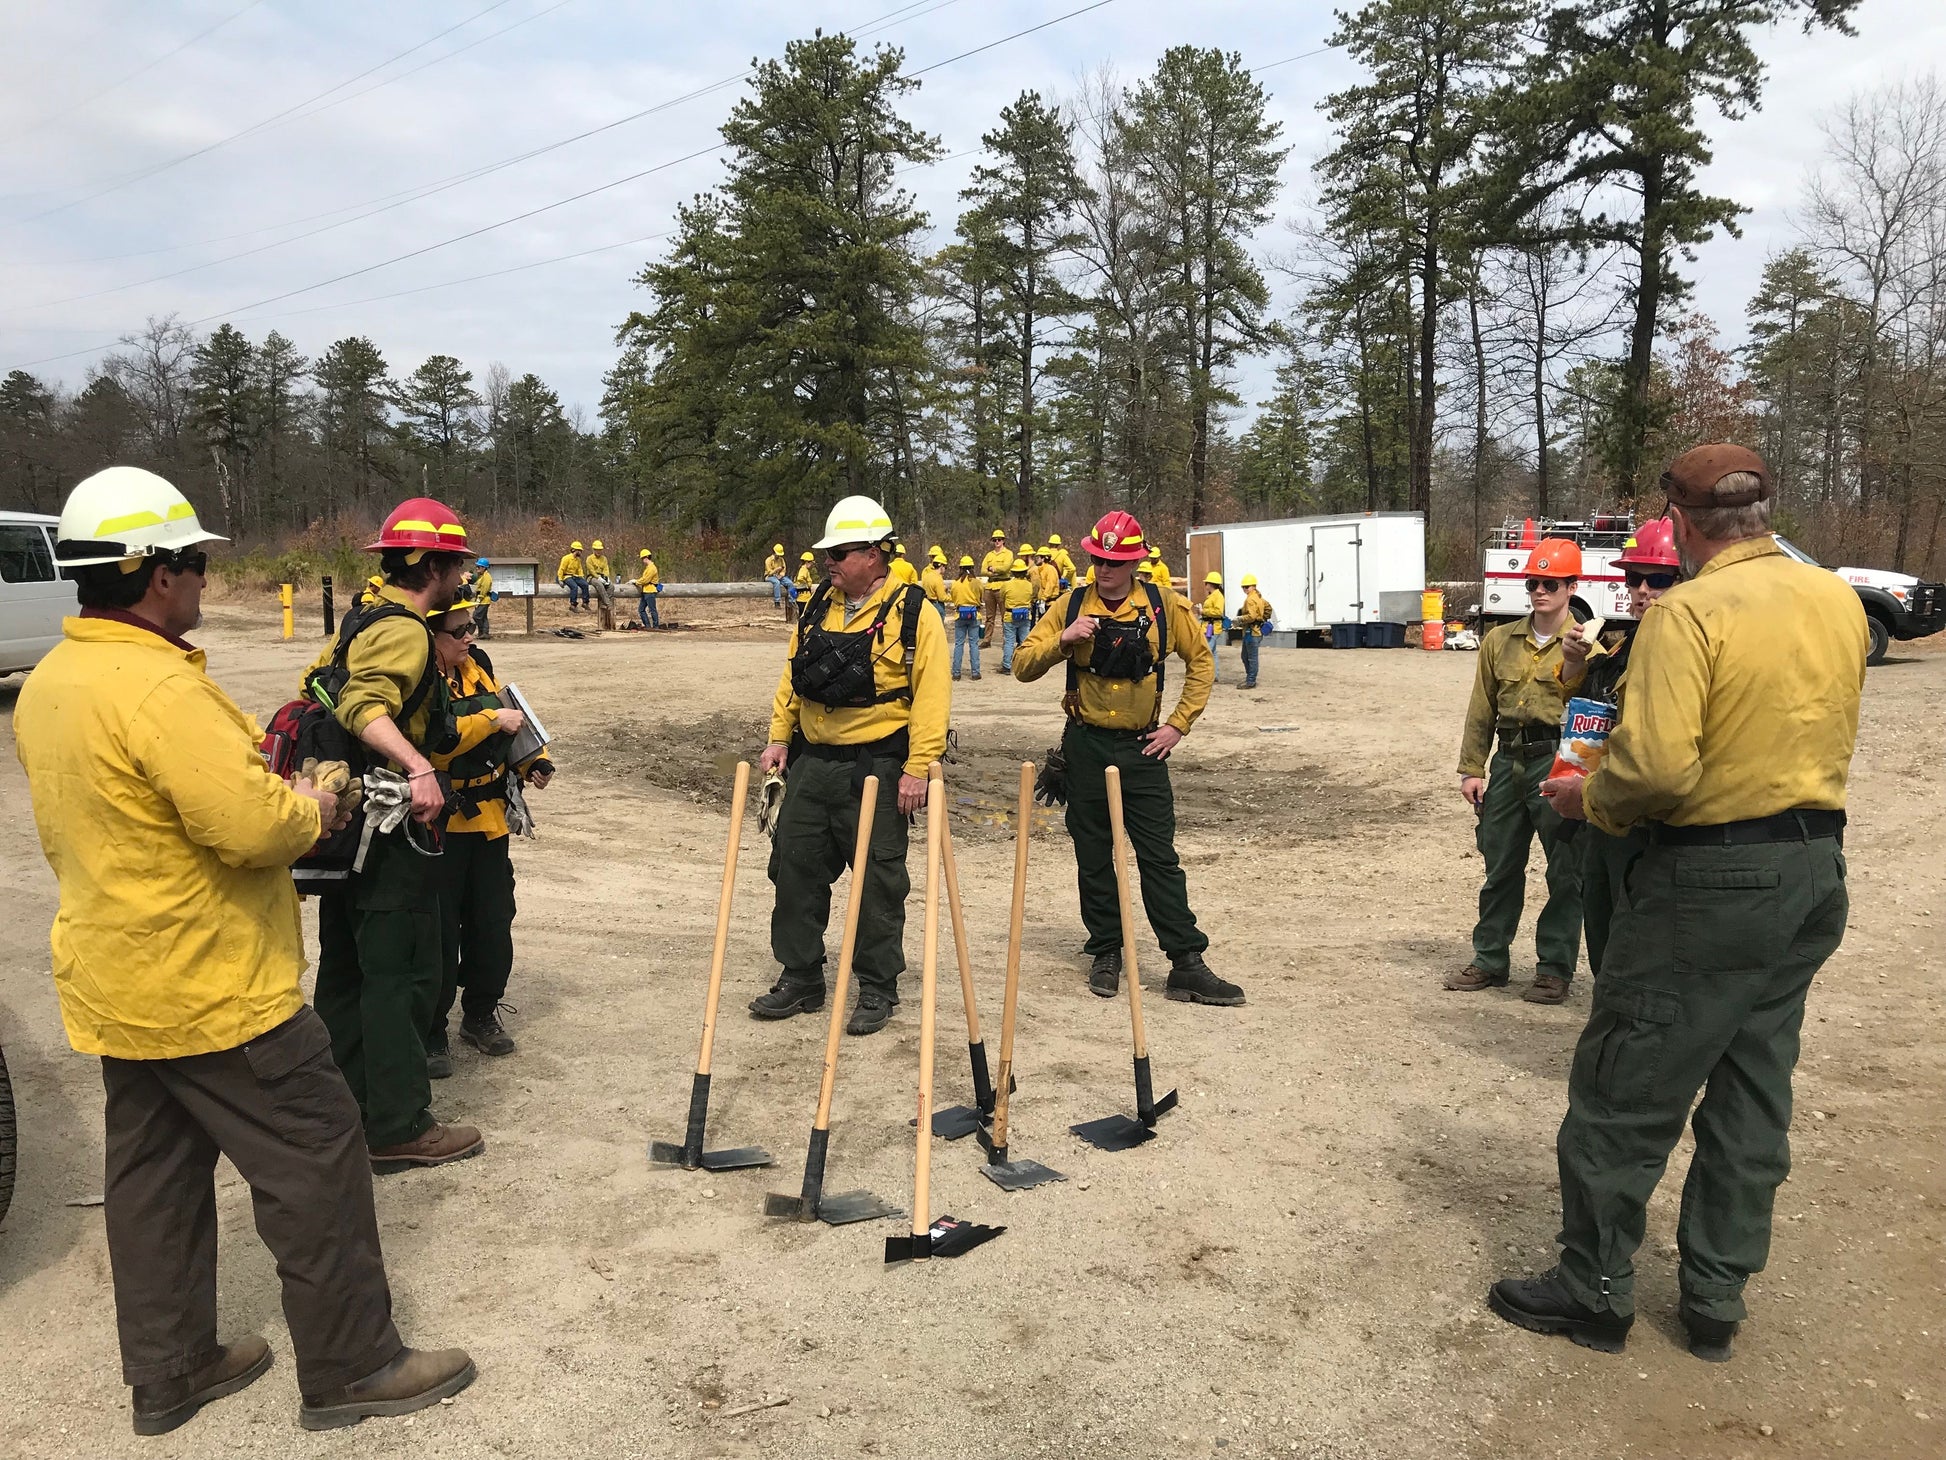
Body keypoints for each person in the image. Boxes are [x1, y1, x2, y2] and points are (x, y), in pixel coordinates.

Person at [15, 467, 475, 1435]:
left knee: (154, 1179)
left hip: (118, 979)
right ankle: (354, 1363)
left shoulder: (53, 680)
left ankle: (170, 1370)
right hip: (213, 982)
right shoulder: (156, 688)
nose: (202, 582)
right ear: (157, 574)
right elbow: (249, 828)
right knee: (318, 1154)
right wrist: (312, 804)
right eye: (194, 566)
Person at [1491, 445, 1866, 1364]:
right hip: (1811, 869)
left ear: (1683, 521)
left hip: (1708, 879)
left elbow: (1658, 769)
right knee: (1751, 1084)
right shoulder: (1835, 600)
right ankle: (1715, 1296)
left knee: (1627, 1084)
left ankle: (1594, 1288)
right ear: (1762, 512)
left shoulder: (1690, 614)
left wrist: (1588, 799)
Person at [307, 498, 485, 1172]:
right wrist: (417, 767)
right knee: (400, 974)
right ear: (432, 565)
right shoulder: (405, 631)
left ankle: (343, 1115)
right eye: (456, 564)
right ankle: (399, 1125)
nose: (461, 575)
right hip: (386, 830)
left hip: (348, 824)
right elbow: (360, 703)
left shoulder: (361, 617)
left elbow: (317, 685)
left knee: (346, 970)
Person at [1013, 510, 1242, 1007]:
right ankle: (1106, 950)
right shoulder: (1070, 605)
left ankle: (1186, 962)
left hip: (1143, 749)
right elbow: (1022, 666)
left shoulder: (1164, 606)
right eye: (1098, 559)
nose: (1105, 569)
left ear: (1136, 561)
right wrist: (1062, 640)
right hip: (1085, 746)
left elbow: (1202, 662)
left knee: (1159, 856)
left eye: (1115, 561)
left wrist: (1177, 724)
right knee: (1093, 854)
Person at [750, 495, 950, 1035]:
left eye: (838, 553)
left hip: (877, 768)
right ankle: (801, 976)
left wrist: (918, 767)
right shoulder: (819, 604)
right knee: (794, 869)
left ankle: (877, 986)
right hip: (812, 763)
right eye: (827, 554)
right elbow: (793, 678)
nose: (828, 562)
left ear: (873, 554)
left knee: (879, 882)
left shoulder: (915, 613)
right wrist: (779, 738)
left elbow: (932, 697)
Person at [1447, 538, 1585, 1005]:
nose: (1540, 591)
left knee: (1565, 871)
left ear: (1572, 587)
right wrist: (1472, 768)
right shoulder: (1499, 641)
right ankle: (1490, 958)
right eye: (1533, 583)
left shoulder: (1587, 644)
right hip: (1508, 760)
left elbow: (1593, 714)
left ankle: (1554, 969)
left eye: (1551, 583)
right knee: (1500, 864)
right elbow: (1481, 708)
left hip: (1556, 761)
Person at [423, 596, 554, 1077]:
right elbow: (438, 742)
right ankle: (432, 1030)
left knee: (493, 923)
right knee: (438, 932)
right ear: (432, 637)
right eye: (459, 631)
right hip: (441, 827)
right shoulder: (421, 681)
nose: (470, 636)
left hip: (491, 822)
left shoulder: (479, 666)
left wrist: (532, 762)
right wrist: (492, 720)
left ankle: (480, 1013)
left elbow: (511, 728)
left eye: (472, 626)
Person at [1558, 519, 1681, 977]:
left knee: (1643, 943)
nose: (1643, 590)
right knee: (1602, 927)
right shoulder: (1621, 646)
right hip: (1604, 811)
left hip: (1654, 823)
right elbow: (1588, 707)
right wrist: (1574, 663)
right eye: (1634, 578)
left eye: (1659, 579)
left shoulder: (1690, 650)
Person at [1235, 574, 1273, 689]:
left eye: (1247, 587)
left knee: (1250, 658)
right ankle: (1250, 678)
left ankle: (1251, 681)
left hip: (1251, 632)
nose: (1245, 589)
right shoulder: (1259, 598)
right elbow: (1268, 608)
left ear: (1253, 586)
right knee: (1247, 656)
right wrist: (1263, 619)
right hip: (1256, 631)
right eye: (1243, 587)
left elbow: (1251, 616)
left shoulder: (1250, 599)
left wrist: (1240, 619)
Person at [949, 555, 983, 681]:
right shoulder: (977, 582)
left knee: (959, 644)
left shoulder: (955, 584)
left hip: (960, 615)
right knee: (974, 644)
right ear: (972, 568)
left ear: (960, 568)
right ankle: (975, 672)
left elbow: (953, 598)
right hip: (974, 615)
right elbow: (981, 597)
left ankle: (956, 673)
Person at [1001, 557, 1035, 673]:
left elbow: (1002, 597)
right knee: (1024, 641)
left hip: (1010, 616)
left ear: (1013, 572)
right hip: (1025, 615)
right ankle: (1025, 664)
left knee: (1009, 642)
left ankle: (1006, 666)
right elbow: (1032, 597)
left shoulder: (1007, 585)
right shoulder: (1029, 585)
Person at [980, 528, 1013, 648]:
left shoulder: (1008, 554)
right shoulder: (989, 555)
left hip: (1002, 587)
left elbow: (1006, 568)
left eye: (999, 539)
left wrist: (993, 569)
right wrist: (994, 572)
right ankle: (987, 640)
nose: (997, 542)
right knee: (989, 617)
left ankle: (1006, 640)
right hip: (990, 587)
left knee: (1005, 616)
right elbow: (983, 570)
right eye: (995, 540)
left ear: (1003, 540)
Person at [1199, 572, 1227, 683]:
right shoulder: (1213, 595)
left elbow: (1218, 612)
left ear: (1210, 584)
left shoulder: (1217, 596)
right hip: (1209, 627)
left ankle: (1207, 675)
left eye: (1206, 583)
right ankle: (1214, 675)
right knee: (1213, 652)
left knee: (1206, 652)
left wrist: (1203, 611)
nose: (1205, 585)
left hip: (1213, 628)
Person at [635, 548, 662, 630]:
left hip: (650, 591)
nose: (642, 560)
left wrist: (636, 582)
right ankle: (647, 625)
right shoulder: (648, 567)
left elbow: (645, 580)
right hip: (646, 591)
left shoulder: (652, 568)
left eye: (642, 558)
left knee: (652, 609)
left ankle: (656, 626)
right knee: (641, 609)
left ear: (646, 557)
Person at [470, 556, 496, 639]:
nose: (477, 568)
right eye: (477, 566)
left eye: (479, 567)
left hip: (484, 600)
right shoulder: (482, 576)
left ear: (484, 568)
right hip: (483, 600)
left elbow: (484, 590)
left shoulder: (486, 577)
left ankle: (483, 632)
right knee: (483, 617)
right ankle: (484, 634)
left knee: (476, 616)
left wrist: (479, 599)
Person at [920, 548, 949, 626]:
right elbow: (942, 597)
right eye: (945, 567)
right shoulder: (938, 577)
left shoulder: (926, 574)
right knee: (939, 628)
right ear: (941, 566)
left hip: (927, 603)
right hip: (937, 605)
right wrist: (954, 597)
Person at [557, 541, 588, 612]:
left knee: (585, 584)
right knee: (574, 587)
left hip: (574, 576)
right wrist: (560, 579)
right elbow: (561, 569)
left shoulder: (578, 560)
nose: (580, 552)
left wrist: (582, 577)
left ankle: (585, 602)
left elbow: (579, 569)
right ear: (574, 550)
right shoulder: (566, 558)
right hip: (566, 576)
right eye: (579, 550)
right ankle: (573, 604)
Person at [1032, 546, 1060, 620]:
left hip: (1050, 604)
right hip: (1043, 602)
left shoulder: (1050, 569)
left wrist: (1043, 599)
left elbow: (1050, 585)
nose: (1036, 559)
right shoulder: (1040, 569)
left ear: (1043, 558)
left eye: (1038, 557)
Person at [765, 542, 789, 617]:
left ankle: (791, 599)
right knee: (777, 583)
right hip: (770, 576)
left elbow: (784, 569)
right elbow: (769, 572)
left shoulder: (781, 560)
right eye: (778, 554)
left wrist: (781, 575)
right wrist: (776, 570)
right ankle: (777, 601)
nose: (779, 556)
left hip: (779, 576)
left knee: (789, 582)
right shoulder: (768, 560)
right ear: (774, 552)